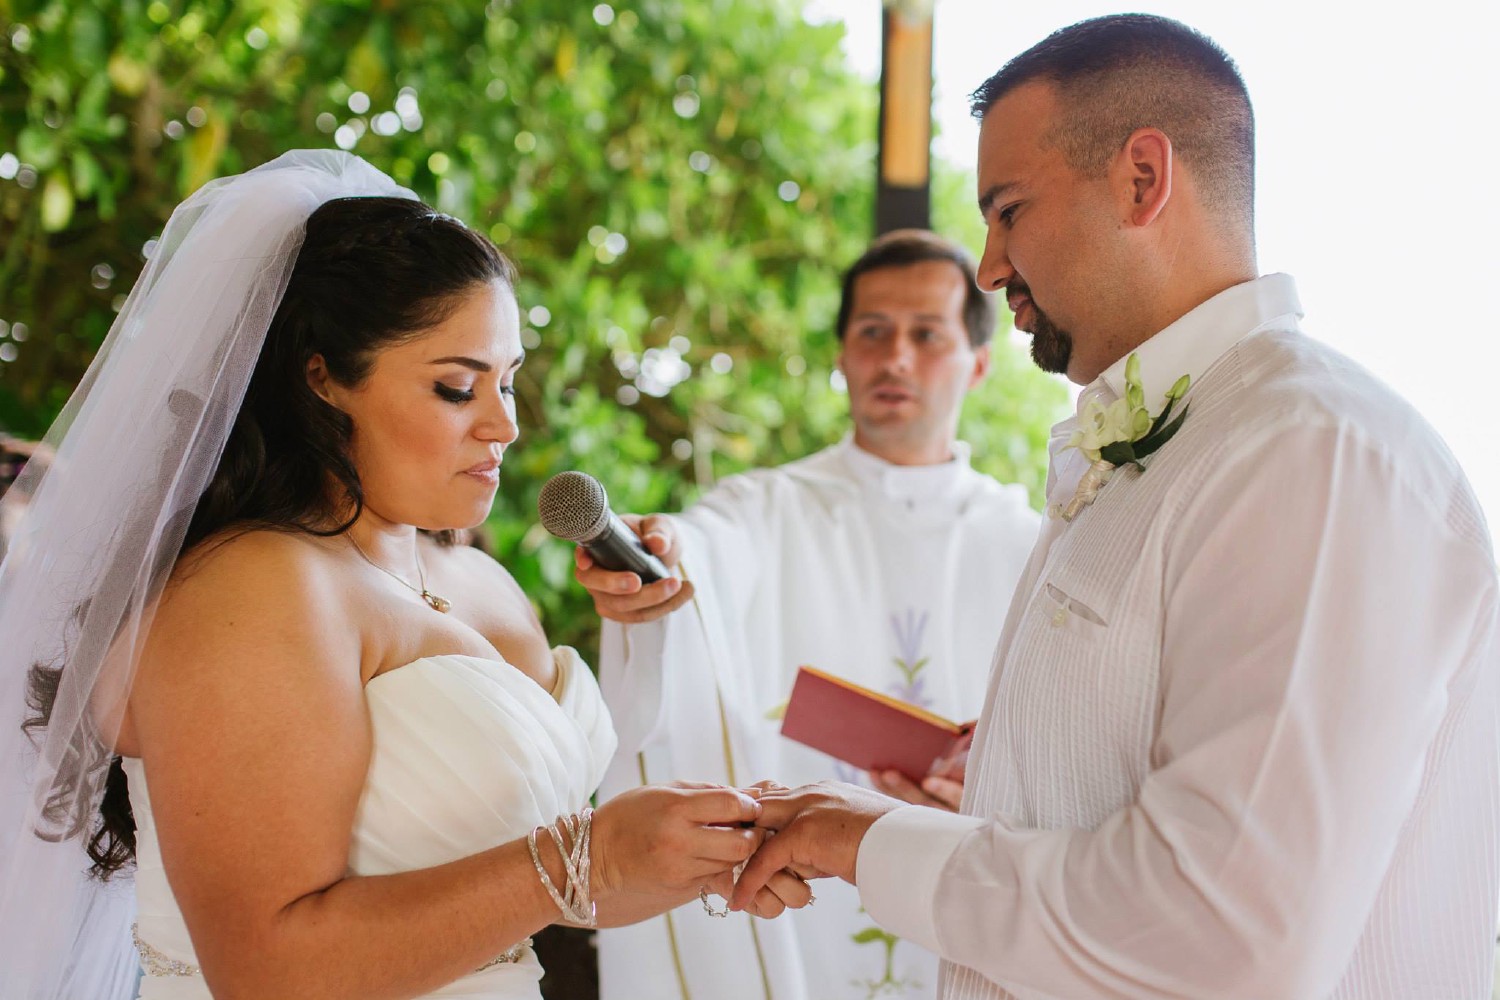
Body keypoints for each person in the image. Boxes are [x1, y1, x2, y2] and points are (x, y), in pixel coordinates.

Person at [732, 14, 1499, 1000]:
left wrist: (871, 841)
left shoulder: (1311, 450)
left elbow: (1223, 932)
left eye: (1008, 209)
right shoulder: (1172, 439)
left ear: (1143, 179)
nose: (991, 264)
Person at [0, 151, 810, 1000]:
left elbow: (536, 896)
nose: (502, 424)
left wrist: (699, 851)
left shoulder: (479, 583)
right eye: (458, 388)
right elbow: (268, 969)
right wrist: (592, 853)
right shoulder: (252, 591)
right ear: (321, 380)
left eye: (508, 380)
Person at [576, 230, 1041, 1000]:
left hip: (967, 903)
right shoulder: (769, 506)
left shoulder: (1030, 543)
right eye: (872, 332)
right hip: (796, 928)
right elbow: (705, 550)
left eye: (926, 335)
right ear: (842, 353)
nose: (895, 357)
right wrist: (658, 555)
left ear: (979, 363)